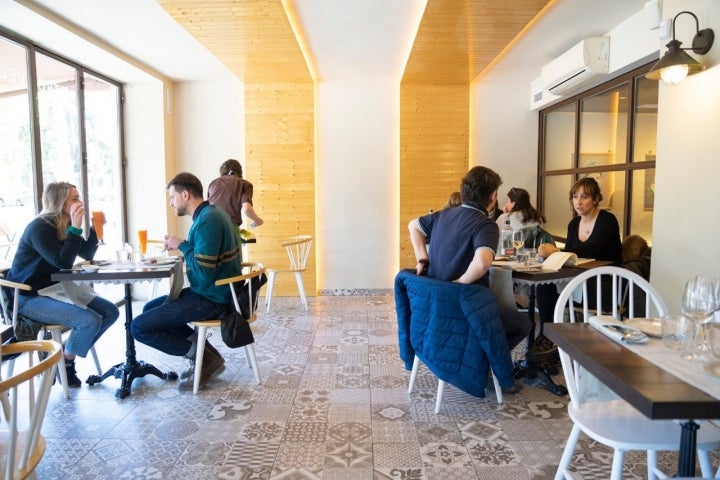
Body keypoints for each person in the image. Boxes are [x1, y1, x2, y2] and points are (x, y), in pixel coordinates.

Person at [408, 166, 530, 392]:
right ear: (493, 196)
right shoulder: (485, 224)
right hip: (466, 311)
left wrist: (422, 259)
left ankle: (479, 364)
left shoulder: (443, 216)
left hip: (436, 310)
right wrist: (461, 285)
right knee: (522, 322)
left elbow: (413, 225)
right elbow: (483, 262)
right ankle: (483, 367)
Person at [131, 172, 244, 390]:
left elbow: (203, 272)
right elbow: (205, 263)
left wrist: (181, 245)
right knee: (150, 307)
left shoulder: (207, 221)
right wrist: (182, 243)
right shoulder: (211, 214)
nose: (171, 203)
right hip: (215, 291)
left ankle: (202, 357)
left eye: (172, 197)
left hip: (212, 298)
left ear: (185, 195)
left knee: (139, 327)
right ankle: (205, 355)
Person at [6, 182, 119, 387]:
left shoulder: (64, 223)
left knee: (110, 312)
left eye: (79, 197)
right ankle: (66, 364)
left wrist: (94, 229)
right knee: (89, 321)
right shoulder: (39, 227)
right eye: (74, 199)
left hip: (55, 290)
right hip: (29, 297)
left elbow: (86, 253)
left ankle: (63, 354)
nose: (80, 202)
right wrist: (75, 228)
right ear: (60, 202)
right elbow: (62, 262)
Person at [536, 177, 622, 324]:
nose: (578, 202)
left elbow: (593, 249)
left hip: (604, 280)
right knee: (544, 285)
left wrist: (558, 252)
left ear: (595, 199)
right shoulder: (574, 224)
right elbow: (570, 254)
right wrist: (559, 254)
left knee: (553, 288)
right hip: (578, 277)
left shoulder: (607, 220)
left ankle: (552, 335)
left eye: (584, 196)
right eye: (575, 197)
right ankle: (548, 335)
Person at [207, 159, 263, 228]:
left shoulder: (213, 183)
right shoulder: (244, 184)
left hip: (208, 225)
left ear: (222, 173)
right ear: (240, 172)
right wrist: (258, 221)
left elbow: (208, 206)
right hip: (229, 227)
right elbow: (247, 209)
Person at [494, 187, 546, 252]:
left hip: (507, 256)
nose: (506, 204)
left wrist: (505, 216)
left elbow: (494, 237)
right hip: (533, 255)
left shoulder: (504, 218)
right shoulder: (538, 217)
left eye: (507, 201)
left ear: (514, 203)